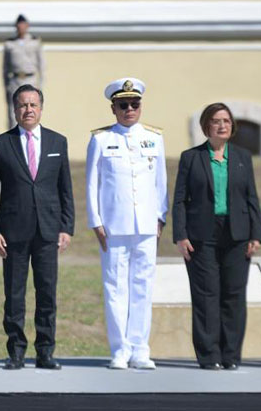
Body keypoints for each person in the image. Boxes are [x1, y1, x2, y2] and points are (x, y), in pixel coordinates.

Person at [0, 84, 75, 370]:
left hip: (48, 231)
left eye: (33, 104)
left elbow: (65, 190)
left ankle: (45, 351)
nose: (28, 110)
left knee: (47, 292)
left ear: (41, 108)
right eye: (23, 105)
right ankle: (16, 350)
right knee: (15, 294)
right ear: (14, 109)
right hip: (13, 233)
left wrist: (66, 227)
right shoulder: (1, 144)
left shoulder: (58, 143)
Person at [172, 102, 261, 371]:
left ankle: (230, 355)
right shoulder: (191, 157)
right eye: (216, 121)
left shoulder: (243, 157)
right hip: (201, 236)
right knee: (206, 296)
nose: (222, 125)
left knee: (233, 296)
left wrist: (255, 234)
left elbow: (251, 197)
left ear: (232, 126)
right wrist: (181, 234)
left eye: (226, 120)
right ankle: (209, 355)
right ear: (205, 126)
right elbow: (180, 200)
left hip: (237, 234)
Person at [86, 77, 168, 370]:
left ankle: (140, 349)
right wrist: (96, 222)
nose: (129, 109)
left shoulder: (154, 138)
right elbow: (92, 183)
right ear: (113, 108)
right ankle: (120, 349)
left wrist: (160, 217)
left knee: (143, 287)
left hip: (145, 225)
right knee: (115, 288)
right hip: (113, 226)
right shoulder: (100, 139)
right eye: (123, 105)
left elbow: (161, 183)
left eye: (134, 104)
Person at [3, 14, 44, 129]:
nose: (20, 27)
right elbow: (5, 68)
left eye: (23, 24)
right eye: (18, 25)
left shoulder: (35, 42)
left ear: (27, 26)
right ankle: (13, 137)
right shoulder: (10, 44)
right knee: (14, 111)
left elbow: (42, 66)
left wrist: (40, 85)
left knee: (32, 110)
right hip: (15, 80)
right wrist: (6, 86)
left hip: (30, 79)